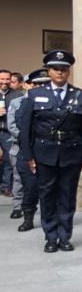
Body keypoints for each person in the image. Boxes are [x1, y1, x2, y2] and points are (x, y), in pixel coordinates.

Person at [16, 50, 82, 252]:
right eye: (56, 69)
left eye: (64, 69)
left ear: (68, 72)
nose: (60, 72)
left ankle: (65, 236)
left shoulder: (81, 96)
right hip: (44, 152)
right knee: (47, 195)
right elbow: (26, 129)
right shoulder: (34, 95)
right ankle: (50, 236)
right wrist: (28, 156)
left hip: (72, 152)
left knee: (67, 196)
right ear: (48, 71)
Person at [8, 68, 51, 231]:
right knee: (30, 187)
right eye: (36, 84)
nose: (40, 87)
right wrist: (28, 139)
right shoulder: (20, 103)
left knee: (49, 188)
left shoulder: (53, 103)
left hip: (48, 150)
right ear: (28, 85)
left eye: (44, 84)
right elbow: (15, 126)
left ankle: (50, 220)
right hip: (26, 150)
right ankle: (28, 218)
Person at [0, 68, 14, 197]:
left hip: (7, 133)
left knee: (9, 159)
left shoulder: (16, 95)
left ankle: (6, 186)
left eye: (7, 79)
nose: (4, 82)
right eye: (2, 79)